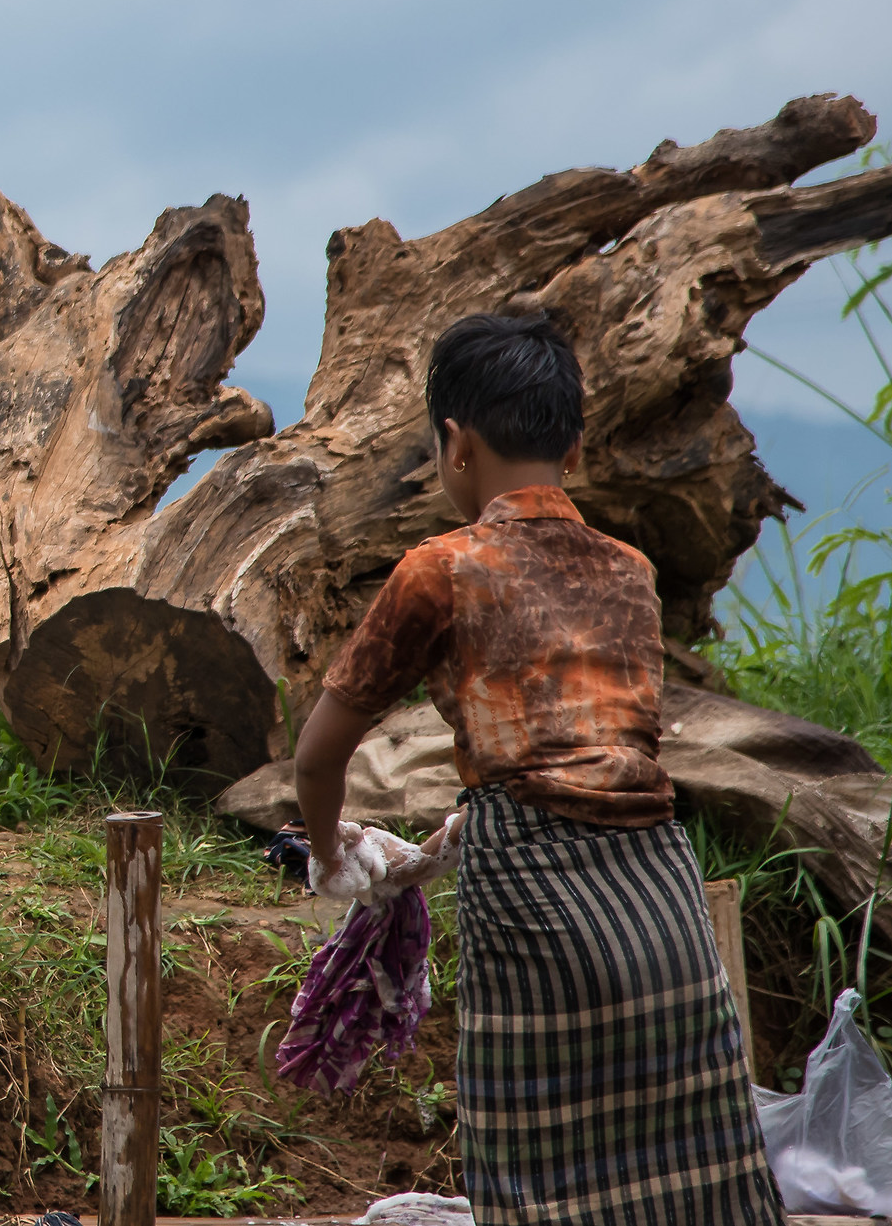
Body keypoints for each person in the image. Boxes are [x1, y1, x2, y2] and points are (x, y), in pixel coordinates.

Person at [289, 313, 782, 1225]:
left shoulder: (441, 569)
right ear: (578, 443)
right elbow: (597, 751)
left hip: (536, 886)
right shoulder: (630, 570)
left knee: (532, 1172)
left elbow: (318, 757)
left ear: (453, 443)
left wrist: (331, 856)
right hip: (659, 895)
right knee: (690, 1175)